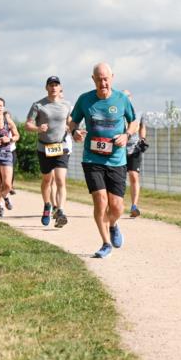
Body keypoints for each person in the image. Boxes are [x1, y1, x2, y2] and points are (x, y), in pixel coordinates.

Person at [69, 62, 138, 258]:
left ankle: (114, 224)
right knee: (100, 201)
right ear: (93, 80)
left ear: (112, 78)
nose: (103, 83)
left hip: (116, 159)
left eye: (106, 79)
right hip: (92, 159)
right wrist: (74, 132)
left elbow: (133, 121)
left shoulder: (121, 99)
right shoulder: (85, 100)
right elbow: (73, 121)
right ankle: (105, 243)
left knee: (117, 206)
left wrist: (126, 135)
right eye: (99, 79)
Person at [25, 75, 72, 227]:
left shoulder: (67, 104)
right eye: (50, 85)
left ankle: (61, 211)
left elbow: (71, 122)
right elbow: (28, 125)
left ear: (60, 88)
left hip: (61, 146)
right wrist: (38, 128)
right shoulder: (38, 105)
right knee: (47, 180)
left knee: (60, 180)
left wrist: (74, 130)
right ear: (46, 88)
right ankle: (47, 205)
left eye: (56, 85)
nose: (53, 87)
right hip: (44, 147)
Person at [123, 92, 148, 217]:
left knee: (133, 175)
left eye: (128, 97)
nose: (126, 99)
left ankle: (134, 206)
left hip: (134, 148)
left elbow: (142, 127)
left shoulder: (138, 113)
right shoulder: (117, 112)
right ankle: (116, 204)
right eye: (123, 97)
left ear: (131, 98)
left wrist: (142, 139)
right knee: (119, 179)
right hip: (120, 149)